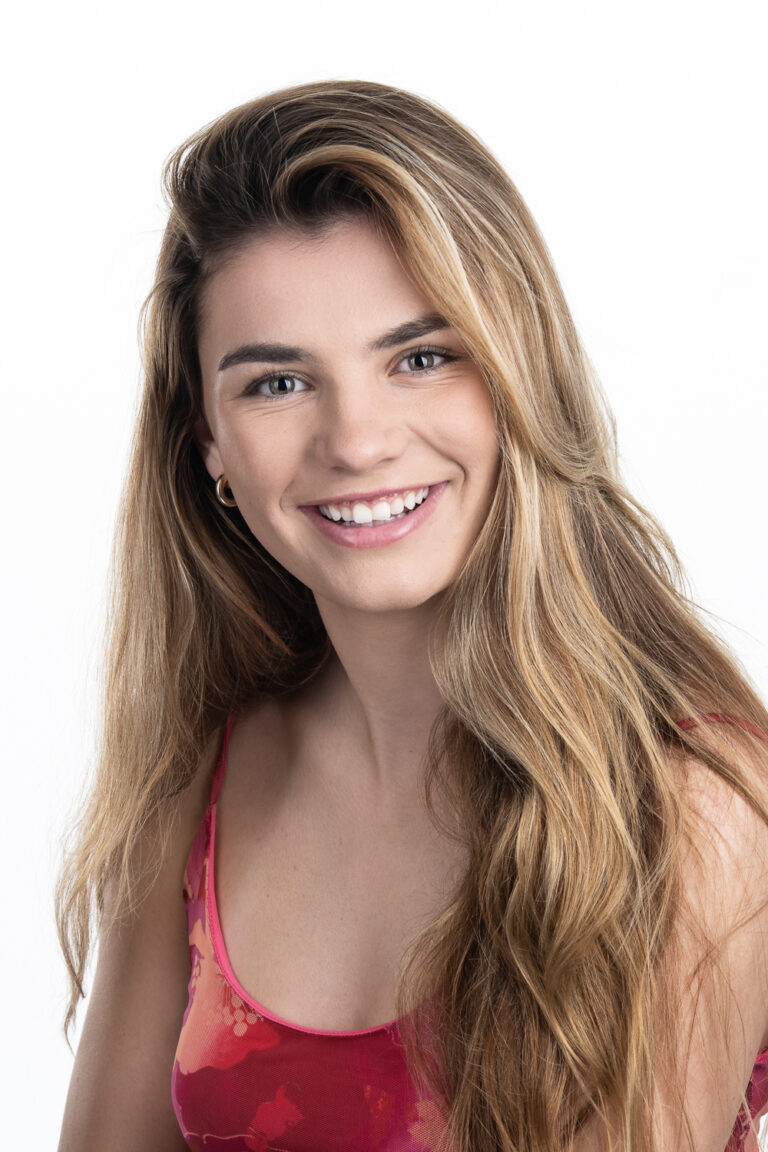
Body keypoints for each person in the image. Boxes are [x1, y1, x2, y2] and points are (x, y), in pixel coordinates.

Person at [55, 79, 768, 1152]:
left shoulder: (692, 808)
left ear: (518, 374)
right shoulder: (194, 786)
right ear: (206, 444)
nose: (358, 440)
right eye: (277, 384)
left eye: (422, 359)